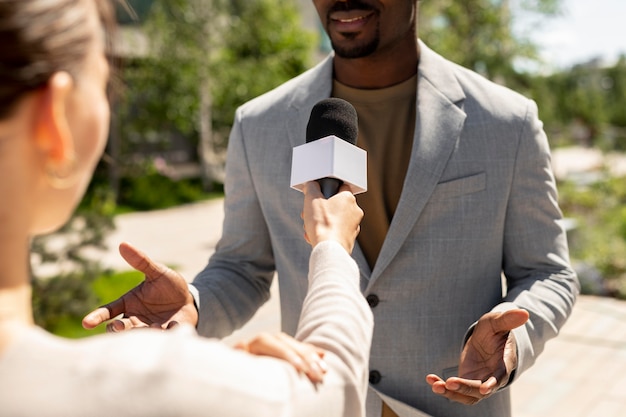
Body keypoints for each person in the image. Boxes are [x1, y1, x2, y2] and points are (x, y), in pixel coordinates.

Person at [84, 1, 579, 416]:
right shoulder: (259, 123)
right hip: (316, 402)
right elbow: (242, 267)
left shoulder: (507, 122)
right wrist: (196, 303)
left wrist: (513, 340)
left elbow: (548, 272)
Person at [0, 1, 374, 416]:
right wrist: (332, 247)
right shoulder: (157, 384)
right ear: (54, 117)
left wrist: (220, 372)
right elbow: (334, 388)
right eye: (107, 85)